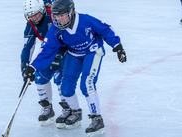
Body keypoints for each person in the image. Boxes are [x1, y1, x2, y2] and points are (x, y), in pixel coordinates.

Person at [23, 0, 127, 135]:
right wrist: (32, 67)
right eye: (56, 16)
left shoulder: (85, 20)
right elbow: (46, 49)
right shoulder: (56, 28)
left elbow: (105, 29)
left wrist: (117, 46)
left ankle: (97, 118)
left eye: (62, 15)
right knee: (65, 87)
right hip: (74, 54)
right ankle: (76, 112)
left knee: (87, 84)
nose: (59, 19)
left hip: (92, 51)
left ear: (71, 12)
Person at [21, 0, 70, 127]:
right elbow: (28, 47)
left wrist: (58, 55)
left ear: (42, 10)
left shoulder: (54, 15)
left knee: (59, 78)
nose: (34, 18)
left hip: (65, 48)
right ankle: (47, 108)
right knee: (39, 77)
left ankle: (68, 109)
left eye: (36, 14)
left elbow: (65, 33)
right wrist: (25, 67)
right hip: (48, 51)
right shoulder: (31, 25)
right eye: (31, 16)